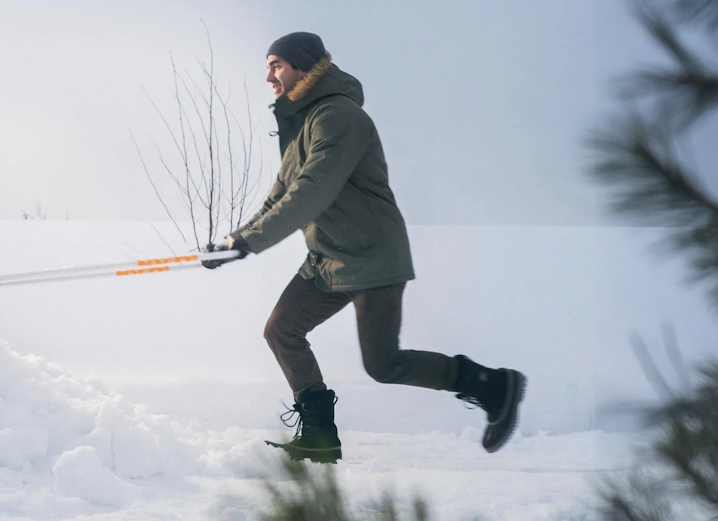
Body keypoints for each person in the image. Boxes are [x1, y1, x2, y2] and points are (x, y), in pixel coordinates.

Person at [204, 32, 526, 462]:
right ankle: (319, 434)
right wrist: (234, 240)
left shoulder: (339, 117)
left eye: (276, 65)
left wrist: (250, 241)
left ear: (304, 67)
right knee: (281, 331)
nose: (268, 76)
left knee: (384, 364)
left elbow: (311, 191)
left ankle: (492, 385)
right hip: (327, 260)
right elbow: (280, 195)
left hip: (372, 258)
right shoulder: (303, 122)